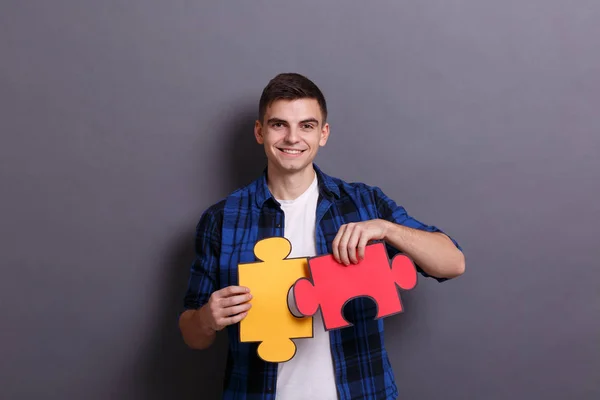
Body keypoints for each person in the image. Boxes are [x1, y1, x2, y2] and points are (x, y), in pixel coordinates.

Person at [178, 73, 465, 400]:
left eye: (307, 125)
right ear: (260, 132)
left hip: (360, 392)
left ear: (323, 134)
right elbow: (192, 335)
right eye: (278, 125)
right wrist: (207, 318)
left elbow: (452, 263)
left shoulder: (363, 203)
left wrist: (385, 228)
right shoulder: (221, 219)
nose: (292, 138)